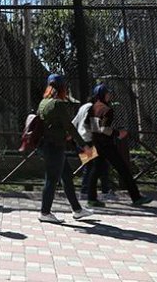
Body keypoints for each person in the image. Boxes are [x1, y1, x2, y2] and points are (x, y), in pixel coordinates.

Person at [83, 84, 153, 208]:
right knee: (124, 169)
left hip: (96, 143)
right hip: (107, 145)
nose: (109, 95)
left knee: (95, 170)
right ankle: (136, 197)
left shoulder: (93, 107)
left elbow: (91, 126)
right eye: (107, 93)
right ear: (102, 94)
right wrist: (118, 133)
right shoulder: (107, 110)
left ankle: (91, 198)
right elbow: (104, 128)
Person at [37, 74, 93, 224]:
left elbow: (50, 125)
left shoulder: (43, 102)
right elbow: (69, 126)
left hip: (48, 146)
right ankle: (45, 212)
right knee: (52, 179)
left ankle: (77, 210)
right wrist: (84, 145)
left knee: (66, 177)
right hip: (55, 147)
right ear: (62, 88)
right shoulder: (58, 104)